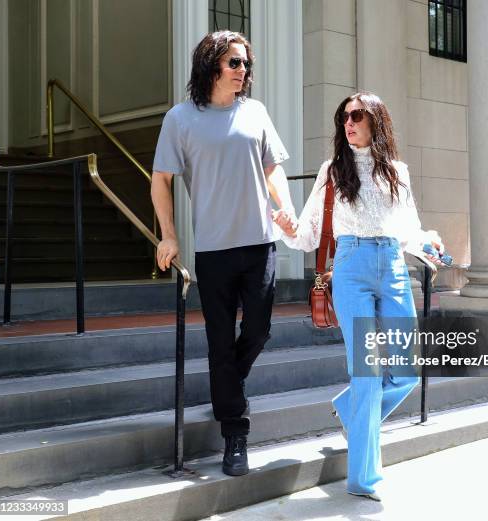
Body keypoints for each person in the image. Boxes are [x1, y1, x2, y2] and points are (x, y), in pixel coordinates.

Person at [274, 92, 445, 501]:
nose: (347, 123)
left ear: (376, 121)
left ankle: (352, 410)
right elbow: (309, 233)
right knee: (367, 373)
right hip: (351, 270)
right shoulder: (333, 171)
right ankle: (364, 478)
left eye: (356, 116)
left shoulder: (397, 171)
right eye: (343, 118)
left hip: (393, 266)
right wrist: (284, 224)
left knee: (405, 371)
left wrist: (430, 242)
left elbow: (409, 229)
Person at [151, 30, 296, 477]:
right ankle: (235, 434)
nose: (243, 72)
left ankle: (226, 381)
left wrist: (285, 207)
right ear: (212, 64)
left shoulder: (255, 112)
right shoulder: (181, 119)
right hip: (213, 251)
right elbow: (161, 181)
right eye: (235, 63)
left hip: (259, 244)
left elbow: (273, 169)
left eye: (246, 64)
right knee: (219, 345)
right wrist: (170, 236)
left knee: (258, 329)